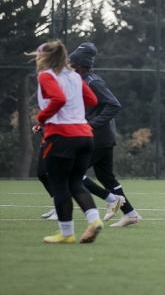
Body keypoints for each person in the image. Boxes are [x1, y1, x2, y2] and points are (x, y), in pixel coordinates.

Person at [29, 40, 104, 243]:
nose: (37, 58)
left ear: (45, 58)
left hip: (62, 136)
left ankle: (66, 233)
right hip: (85, 136)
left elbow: (59, 99)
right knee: (76, 183)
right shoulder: (74, 76)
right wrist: (75, 110)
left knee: (60, 185)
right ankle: (94, 219)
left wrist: (42, 117)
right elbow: (92, 100)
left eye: (39, 55)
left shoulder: (46, 76)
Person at [68, 43, 142, 227]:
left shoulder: (93, 81)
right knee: (106, 177)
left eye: (72, 61)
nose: (69, 63)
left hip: (98, 138)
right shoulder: (82, 80)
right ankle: (131, 214)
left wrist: (92, 125)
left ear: (79, 63)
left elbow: (114, 104)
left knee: (72, 172)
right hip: (102, 137)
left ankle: (111, 199)